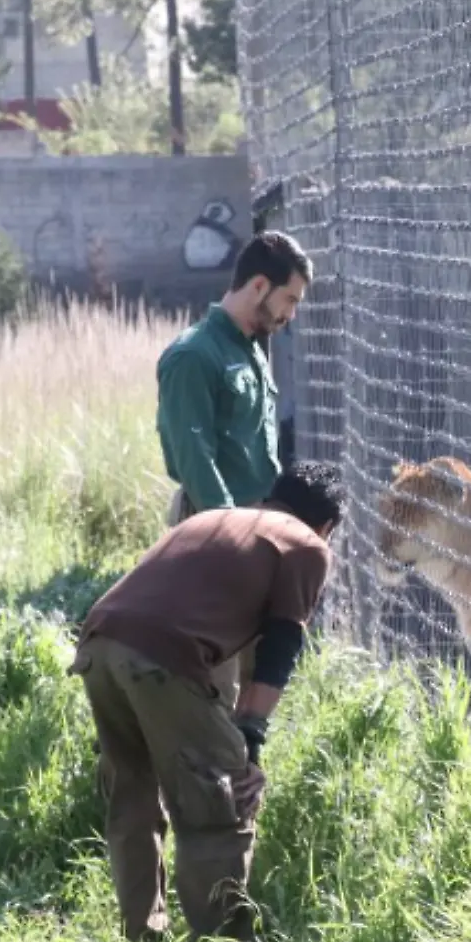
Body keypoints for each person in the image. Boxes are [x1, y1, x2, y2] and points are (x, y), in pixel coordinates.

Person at [70, 461, 345, 942]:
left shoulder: (214, 520)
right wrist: (249, 747)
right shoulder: (307, 546)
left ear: (271, 497)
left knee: (131, 799)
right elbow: (279, 649)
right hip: (162, 659)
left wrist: (238, 735)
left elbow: (229, 654)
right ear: (327, 525)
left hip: (99, 647)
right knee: (220, 805)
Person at [155, 229, 315, 698]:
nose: (291, 314)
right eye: (290, 298)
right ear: (260, 286)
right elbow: (194, 457)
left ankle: (241, 767)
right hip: (216, 533)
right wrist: (231, 539)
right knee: (211, 683)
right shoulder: (193, 355)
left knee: (254, 675)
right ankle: (202, 769)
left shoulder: (250, 347)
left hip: (255, 528)